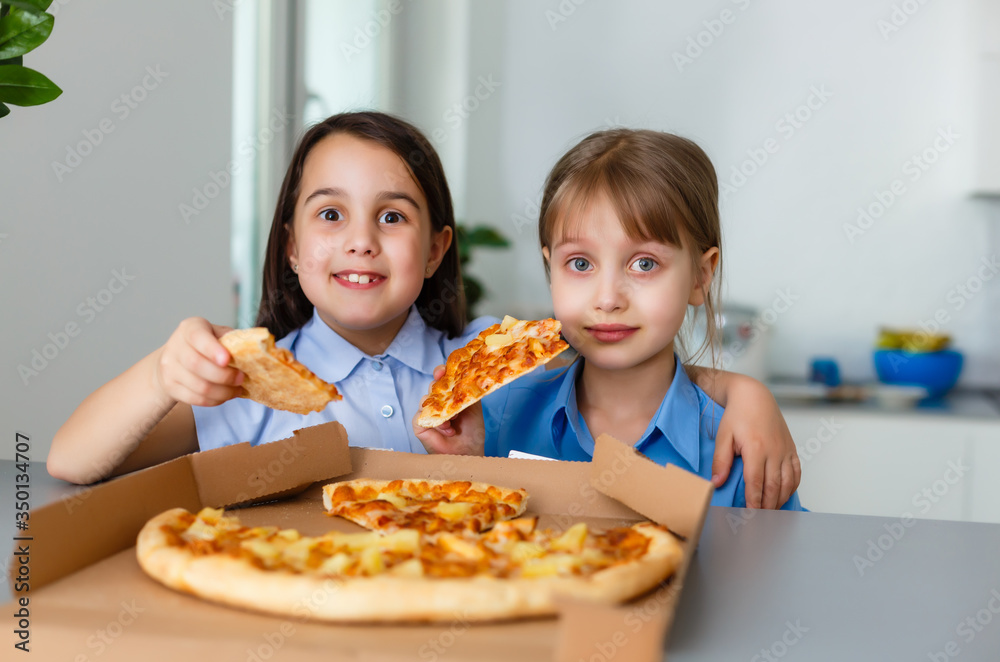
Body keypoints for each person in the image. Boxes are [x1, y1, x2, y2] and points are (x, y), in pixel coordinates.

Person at [49, 113, 797, 509]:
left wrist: (743, 391)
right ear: (290, 246)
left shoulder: (481, 366)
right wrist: (165, 368)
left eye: (394, 217)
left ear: (439, 248)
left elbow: (612, 355)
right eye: (331, 215)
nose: (362, 243)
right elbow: (69, 461)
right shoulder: (239, 385)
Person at [415, 128, 802, 510]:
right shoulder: (494, 418)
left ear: (701, 275)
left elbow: (776, 570)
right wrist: (465, 466)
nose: (607, 298)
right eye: (580, 264)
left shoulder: (741, 444)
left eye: (644, 263)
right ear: (552, 270)